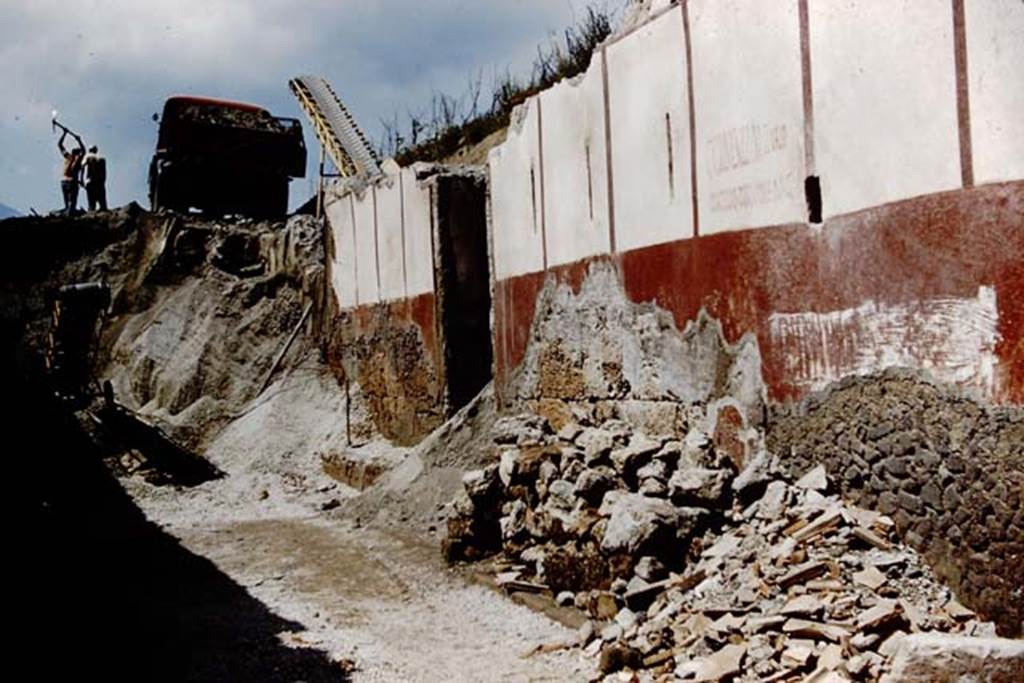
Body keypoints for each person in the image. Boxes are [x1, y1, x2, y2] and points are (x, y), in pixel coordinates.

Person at [58, 130, 85, 215]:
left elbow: (60, 145)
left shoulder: (67, 157)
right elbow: (84, 151)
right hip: (72, 182)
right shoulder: (77, 160)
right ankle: (69, 216)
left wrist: (64, 134)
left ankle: (67, 214)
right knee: (71, 203)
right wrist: (79, 140)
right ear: (77, 154)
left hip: (64, 181)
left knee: (67, 203)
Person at [83, 145, 108, 211]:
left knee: (91, 203)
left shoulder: (88, 156)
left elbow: (82, 166)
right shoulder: (102, 158)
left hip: (91, 181)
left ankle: (91, 215)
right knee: (102, 203)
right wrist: (103, 182)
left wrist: (81, 180)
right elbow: (104, 172)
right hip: (100, 182)